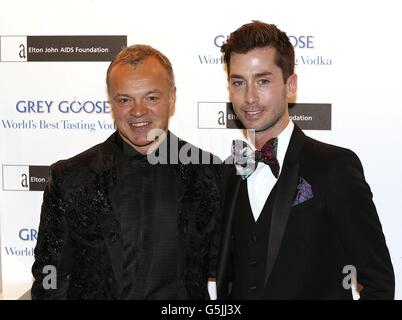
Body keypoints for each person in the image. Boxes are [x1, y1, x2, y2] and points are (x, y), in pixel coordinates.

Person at [216, 21, 394, 299]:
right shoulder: (229, 172)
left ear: (290, 86)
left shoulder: (334, 167)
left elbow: (379, 283)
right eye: (238, 82)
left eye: (263, 80)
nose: (249, 97)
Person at [31, 44, 221, 299]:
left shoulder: (208, 172)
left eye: (151, 97)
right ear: (112, 103)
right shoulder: (70, 178)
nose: (138, 111)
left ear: (172, 98)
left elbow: (227, 266)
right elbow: (50, 272)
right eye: (124, 99)